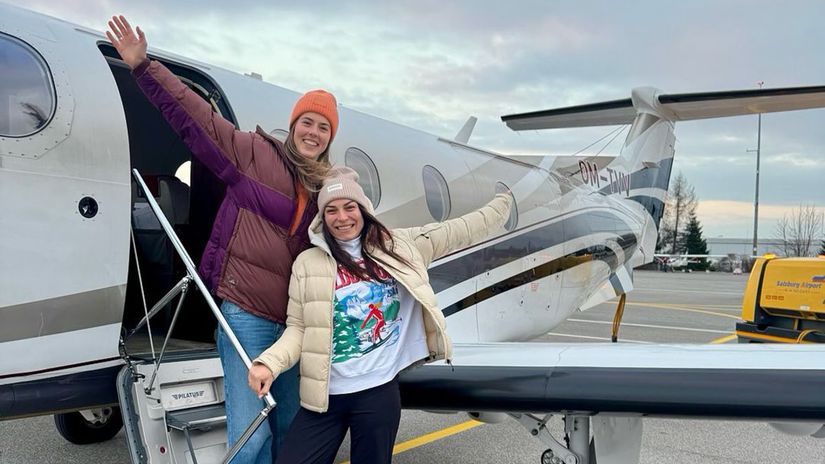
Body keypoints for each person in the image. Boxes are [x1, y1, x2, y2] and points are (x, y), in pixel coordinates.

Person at [106, 15, 336, 463]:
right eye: (307, 122)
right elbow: (198, 119)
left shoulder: (326, 190)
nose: (313, 132)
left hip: (295, 325)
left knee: (290, 428)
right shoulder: (255, 154)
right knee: (251, 435)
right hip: (247, 315)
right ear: (293, 125)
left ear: (330, 138)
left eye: (323, 127)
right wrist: (144, 67)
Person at [248, 167, 512, 464]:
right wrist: (269, 363)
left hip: (377, 392)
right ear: (322, 218)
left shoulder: (400, 246)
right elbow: (299, 328)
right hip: (324, 396)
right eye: (331, 210)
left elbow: (462, 230)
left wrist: (505, 202)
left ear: (363, 209)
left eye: (349, 207)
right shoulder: (307, 263)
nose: (342, 217)